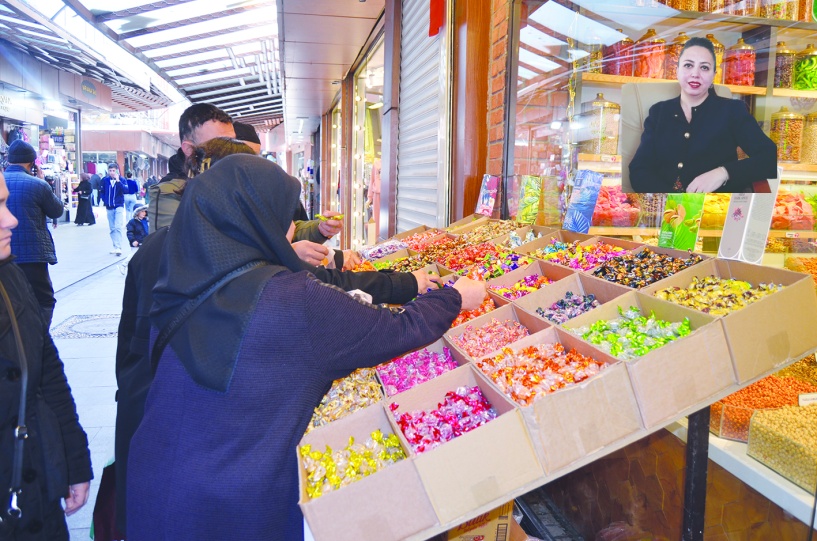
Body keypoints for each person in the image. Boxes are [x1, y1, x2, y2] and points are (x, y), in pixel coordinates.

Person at [125, 154, 486, 540]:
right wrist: (454, 297)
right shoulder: (290, 300)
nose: (294, 227)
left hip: (154, 481)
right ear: (259, 219)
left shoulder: (180, 278)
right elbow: (397, 329)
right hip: (236, 506)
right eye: (285, 216)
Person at [0, 171, 93, 540]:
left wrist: (73, 460)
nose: (12, 219)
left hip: (31, 493)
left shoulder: (11, 278)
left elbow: (47, 374)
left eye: (5, 203)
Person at [628, 37, 777, 193]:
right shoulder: (659, 112)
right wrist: (670, 201)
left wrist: (723, 173)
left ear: (714, 74)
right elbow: (639, 169)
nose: (695, 74)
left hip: (715, 208)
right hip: (664, 208)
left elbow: (769, 158)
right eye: (688, 65)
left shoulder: (732, 111)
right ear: (677, 71)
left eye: (704, 68)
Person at [5, 140, 64, 328]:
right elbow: (56, 211)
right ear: (32, 163)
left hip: (4, 256)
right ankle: (39, 340)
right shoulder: (38, 185)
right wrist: (44, 182)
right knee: (43, 300)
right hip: (32, 256)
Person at [99, 163, 126, 256]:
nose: (112, 172)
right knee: (112, 228)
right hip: (109, 206)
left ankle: (118, 247)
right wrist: (104, 200)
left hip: (119, 205)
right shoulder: (105, 180)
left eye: (113, 170)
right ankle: (115, 246)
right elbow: (102, 191)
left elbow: (126, 190)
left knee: (118, 226)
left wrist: (118, 181)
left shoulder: (122, 180)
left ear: (117, 171)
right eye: (110, 171)